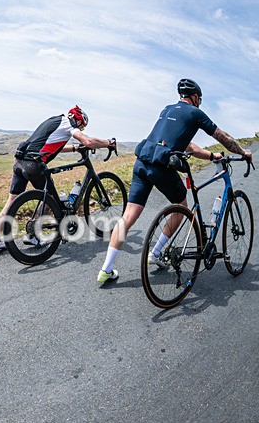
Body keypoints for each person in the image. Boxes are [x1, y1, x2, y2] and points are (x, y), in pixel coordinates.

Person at [97, 79, 252, 283]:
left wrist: (212, 156)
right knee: (182, 207)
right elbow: (223, 137)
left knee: (128, 217)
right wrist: (243, 152)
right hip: (161, 167)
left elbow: (189, 146)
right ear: (195, 97)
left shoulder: (167, 109)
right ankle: (156, 253)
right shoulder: (195, 113)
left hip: (141, 163)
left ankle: (105, 270)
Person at [0, 106, 115, 251]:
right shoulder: (69, 124)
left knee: (11, 201)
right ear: (78, 120)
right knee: (48, 198)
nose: (81, 129)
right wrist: (108, 143)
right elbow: (88, 142)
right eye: (82, 126)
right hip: (33, 163)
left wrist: (74, 148)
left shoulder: (55, 121)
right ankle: (32, 235)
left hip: (20, 161)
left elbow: (53, 145)